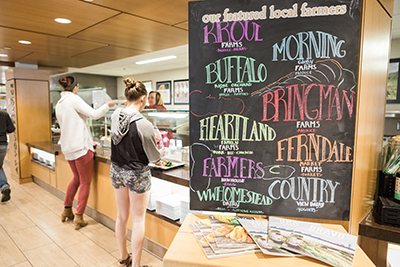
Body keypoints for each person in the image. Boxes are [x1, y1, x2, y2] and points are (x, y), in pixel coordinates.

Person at [110, 77, 163, 267]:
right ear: (143, 98)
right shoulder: (144, 124)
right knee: (138, 219)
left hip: (116, 170)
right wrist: (158, 145)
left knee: (121, 216)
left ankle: (124, 258)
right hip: (136, 174)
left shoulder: (115, 115)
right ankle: (137, 265)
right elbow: (154, 158)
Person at [56, 76, 116, 230]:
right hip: (81, 148)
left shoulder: (60, 103)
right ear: (75, 87)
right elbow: (95, 114)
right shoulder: (74, 99)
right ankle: (79, 217)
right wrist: (107, 105)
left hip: (68, 147)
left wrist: (89, 139)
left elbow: (73, 125)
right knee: (85, 182)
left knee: (76, 178)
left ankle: (66, 210)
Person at [0, 109, 15, 203]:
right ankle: (4, 186)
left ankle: (4, 186)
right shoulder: (4, 113)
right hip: (3, 145)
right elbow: (11, 129)